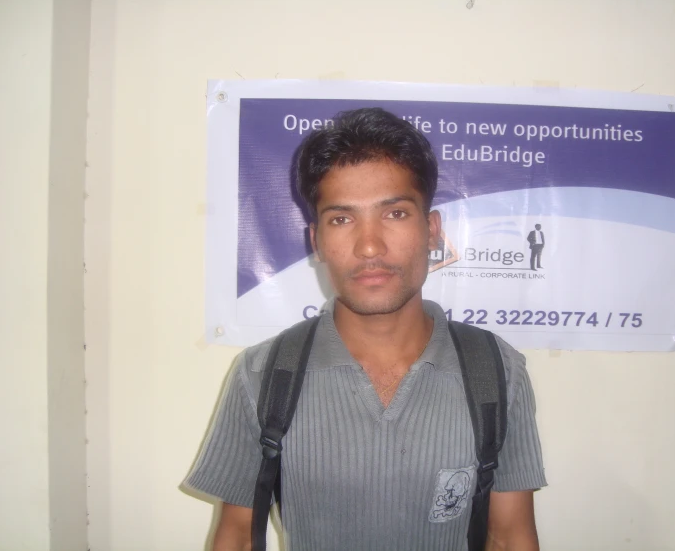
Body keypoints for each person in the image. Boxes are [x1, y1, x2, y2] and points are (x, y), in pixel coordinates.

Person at [184, 108, 547, 551]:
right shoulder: (261, 376)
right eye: (342, 219)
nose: (370, 246)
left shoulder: (496, 373)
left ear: (432, 230)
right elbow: (238, 537)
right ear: (317, 241)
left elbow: (509, 538)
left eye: (394, 213)